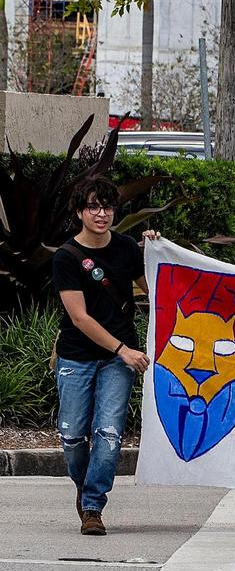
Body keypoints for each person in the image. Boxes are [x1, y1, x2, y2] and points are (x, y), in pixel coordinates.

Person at [53, 178, 155, 536]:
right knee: (73, 437)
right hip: (77, 357)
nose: (101, 214)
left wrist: (157, 250)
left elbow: (156, 289)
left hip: (118, 362)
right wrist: (122, 349)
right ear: (80, 211)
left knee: (109, 433)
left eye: (108, 207)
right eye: (93, 207)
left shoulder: (127, 248)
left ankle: (93, 506)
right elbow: (79, 317)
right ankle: (85, 489)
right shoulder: (66, 257)